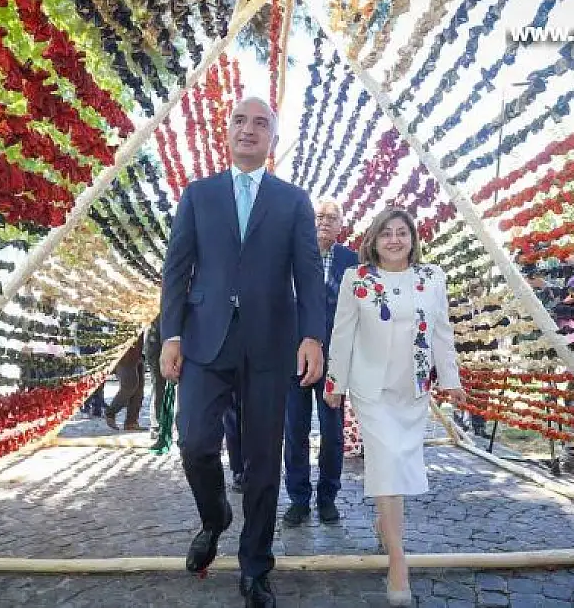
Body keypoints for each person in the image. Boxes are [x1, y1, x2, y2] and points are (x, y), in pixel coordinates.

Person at [159, 96, 325, 608]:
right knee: (195, 443)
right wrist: (171, 335)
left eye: (260, 123)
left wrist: (313, 336)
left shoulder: (294, 201)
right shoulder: (198, 195)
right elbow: (177, 268)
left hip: (272, 343)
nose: (248, 130)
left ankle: (255, 568)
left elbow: (308, 274)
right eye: (239, 121)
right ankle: (214, 518)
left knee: (260, 461)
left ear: (272, 138)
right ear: (226, 132)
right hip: (205, 340)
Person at [323, 208, 466, 607]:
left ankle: (386, 527)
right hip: (371, 389)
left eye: (401, 233)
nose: (394, 240)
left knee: (398, 468)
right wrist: (335, 383)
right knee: (386, 463)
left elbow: (441, 332)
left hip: (413, 389)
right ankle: (398, 562)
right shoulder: (358, 278)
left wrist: (451, 381)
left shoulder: (431, 277)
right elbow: (343, 332)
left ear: (412, 238)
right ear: (374, 239)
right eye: (386, 233)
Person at [282, 199, 357, 527]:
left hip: (334, 361)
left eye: (332, 217)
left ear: (342, 225)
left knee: (332, 431)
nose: (325, 222)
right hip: (292, 357)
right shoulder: (288, 258)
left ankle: (328, 497)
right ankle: (298, 499)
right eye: (319, 216)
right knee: (294, 429)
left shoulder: (353, 263)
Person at [105, 336, 147, 431]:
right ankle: (110, 413)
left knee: (138, 391)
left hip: (138, 352)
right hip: (126, 352)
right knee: (129, 385)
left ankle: (131, 422)